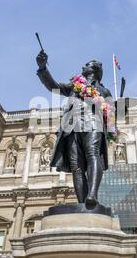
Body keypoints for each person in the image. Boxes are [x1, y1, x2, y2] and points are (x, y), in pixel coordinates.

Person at [36, 49, 113, 208]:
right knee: (76, 165)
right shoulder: (74, 86)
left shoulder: (104, 91)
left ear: (95, 70)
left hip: (93, 124)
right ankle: (82, 203)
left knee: (93, 154)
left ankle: (92, 194)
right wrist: (43, 68)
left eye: (87, 65)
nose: (83, 66)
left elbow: (111, 113)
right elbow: (54, 86)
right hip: (71, 126)